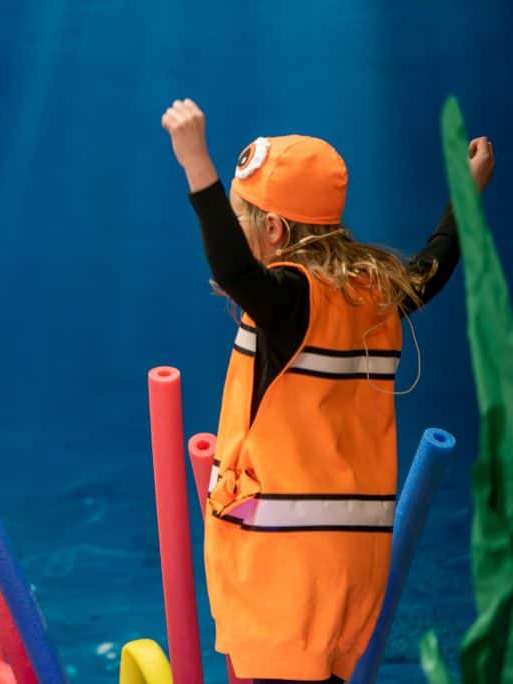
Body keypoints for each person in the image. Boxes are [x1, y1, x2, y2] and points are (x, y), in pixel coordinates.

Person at [161, 98, 494, 682]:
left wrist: (196, 164)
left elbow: (239, 273)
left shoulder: (291, 300)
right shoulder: (376, 292)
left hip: (286, 573)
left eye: (242, 220)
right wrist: (465, 194)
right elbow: (433, 267)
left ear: (273, 229)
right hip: (352, 567)